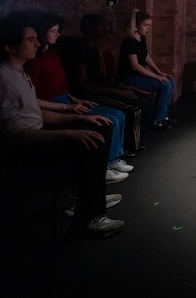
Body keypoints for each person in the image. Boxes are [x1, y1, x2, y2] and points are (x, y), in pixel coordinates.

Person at [0, 12, 124, 238]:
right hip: (22, 146)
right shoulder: (2, 80)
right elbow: (14, 134)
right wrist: (69, 133)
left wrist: (79, 119)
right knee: (89, 143)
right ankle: (88, 217)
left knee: (99, 127)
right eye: (30, 40)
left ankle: (88, 198)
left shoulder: (19, 71)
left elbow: (37, 113)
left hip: (35, 133)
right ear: (10, 47)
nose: (37, 43)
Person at [24, 13, 132, 183]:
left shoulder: (53, 55)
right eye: (54, 31)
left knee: (117, 115)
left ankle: (112, 159)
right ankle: (104, 167)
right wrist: (67, 106)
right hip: (52, 106)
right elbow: (32, 96)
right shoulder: (34, 62)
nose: (58, 34)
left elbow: (61, 86)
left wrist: (73, 99)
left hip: (65, 100)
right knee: (107, 119)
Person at [57, 13, 152, 153]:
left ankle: (135, 142)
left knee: (143, 98)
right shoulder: (81, 51)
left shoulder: (94, 50)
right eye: (101, 25)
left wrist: (121, 86)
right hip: (90, 94)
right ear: (90, 29)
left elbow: (99, 79)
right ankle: (129, 147)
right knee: (137, 107)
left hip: (99, 89)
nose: (105, 28)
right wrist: (115, 91)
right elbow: (82, 85)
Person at [115, 9, 177, 130]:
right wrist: (155, 77)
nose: (148, 28)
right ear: (137, 25)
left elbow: (146, 56)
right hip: (129, 78)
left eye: (149, 25)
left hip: (137, 75)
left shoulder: (141, 39)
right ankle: (158, 119)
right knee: (165, 85)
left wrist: (159, 72)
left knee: (171, 81)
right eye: (145, 25)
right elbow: (135, 66)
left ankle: (162, 116)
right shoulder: (130, 41)